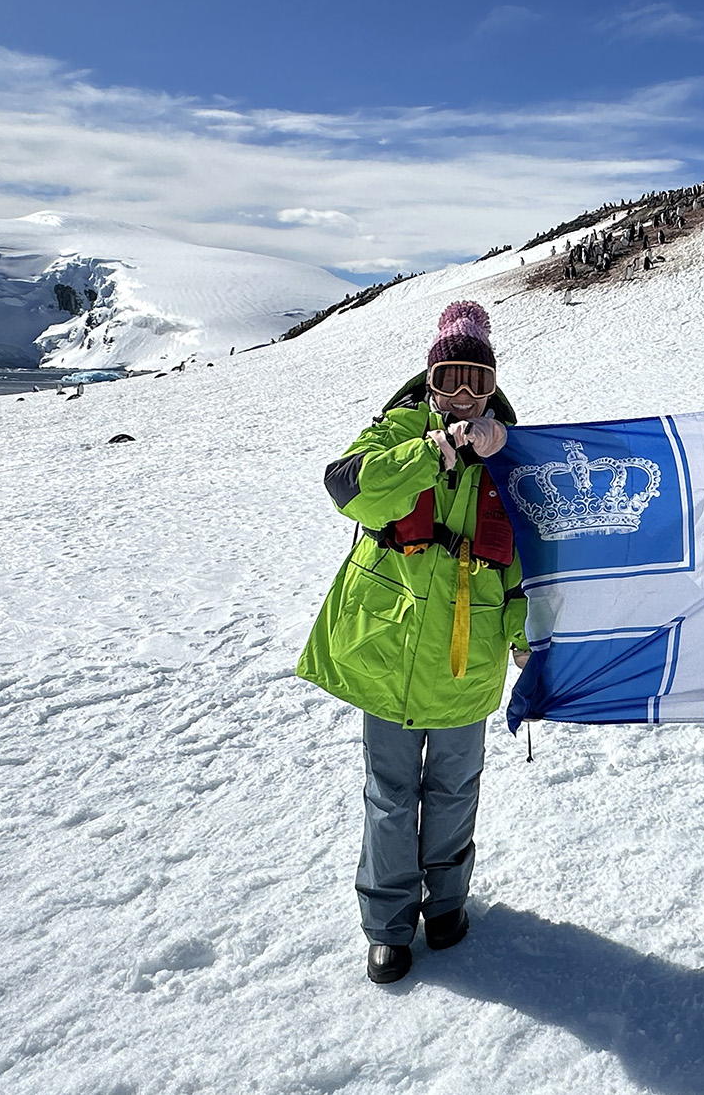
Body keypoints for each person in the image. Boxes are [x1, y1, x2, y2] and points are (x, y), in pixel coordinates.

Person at [296, 300, 529, 985]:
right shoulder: (397, 432)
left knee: (455, 787)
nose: (463, 393)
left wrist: (523, 637)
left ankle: (447, 906)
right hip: (389, 648)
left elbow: (523, 560)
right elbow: (353, 491)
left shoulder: (511, 455)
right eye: (450, 377)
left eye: (476, 381)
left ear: (491, 386)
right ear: (430, 381)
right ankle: (389, 925)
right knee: (391, 794)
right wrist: (437, 450)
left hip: (469, 650)